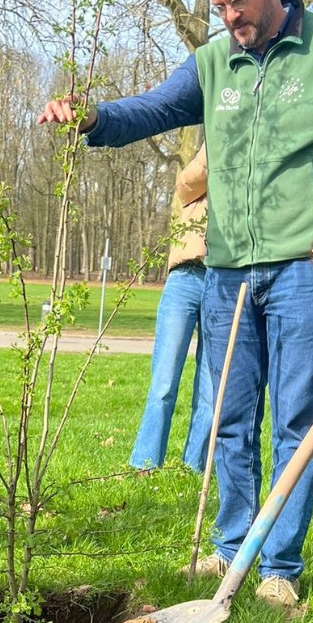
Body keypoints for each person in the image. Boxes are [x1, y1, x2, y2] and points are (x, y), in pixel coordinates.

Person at [38, 0, 313, 607]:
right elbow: (150, 110)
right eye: (219, 9)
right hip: (227, 270)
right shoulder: (211, 62)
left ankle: (279, 567)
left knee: (296, 419)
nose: (232, 20)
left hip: (305, 270)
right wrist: (89, 117)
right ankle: (233, 545)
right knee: (229, 417)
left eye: (240, 4)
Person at [130, 143, 212, 472]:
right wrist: (220, 147)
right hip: (186, 276)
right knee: (164, 379)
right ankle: (145, 462)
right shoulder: (196, 182)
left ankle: (194, 467)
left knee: (210, 385)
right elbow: (187, 182)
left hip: (224, 281)